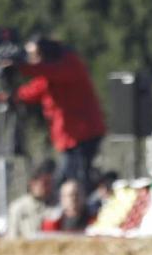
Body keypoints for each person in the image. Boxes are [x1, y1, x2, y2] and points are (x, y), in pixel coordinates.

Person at [15, 36, 107, 188]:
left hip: (84, 134)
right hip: (69, 137)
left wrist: (21, 66)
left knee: (74, 179)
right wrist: (13, 97)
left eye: (34, 56)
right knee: (67, 178)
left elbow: (50, 71)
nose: (32, 60)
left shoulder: (69, 64)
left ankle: (86, 204)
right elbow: (36, 88)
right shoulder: (50, 74)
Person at [6, 161, 56, 239]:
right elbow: (12, 236)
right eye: (45, 183)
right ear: (32, 183)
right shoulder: (19, 207)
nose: (48, 187)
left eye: (50, 183)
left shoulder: (56, 205)